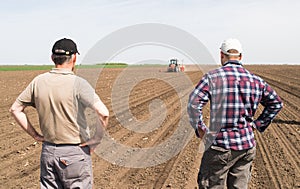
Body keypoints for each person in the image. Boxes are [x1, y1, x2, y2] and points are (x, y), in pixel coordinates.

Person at [9, 38, 109, 189]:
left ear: (52, 58)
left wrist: (35, 135)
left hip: (48, 152)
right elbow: (104, 113)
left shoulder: (38, 81)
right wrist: (96, 139)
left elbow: (15, 109)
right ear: (74, 57)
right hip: (75, 153)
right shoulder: (79, 83)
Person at [187, 38, 283, 189]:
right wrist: (256, 125)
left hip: (219, 146)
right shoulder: (256, 81)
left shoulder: (211, 78)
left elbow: (193, 104)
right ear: (240, 56)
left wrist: (200, 129)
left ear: (221, 55)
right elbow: (276, 103)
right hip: (246, 146)